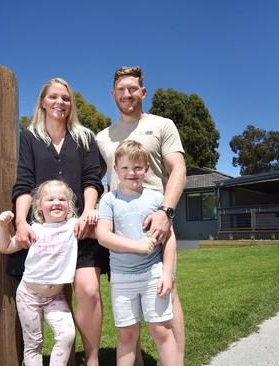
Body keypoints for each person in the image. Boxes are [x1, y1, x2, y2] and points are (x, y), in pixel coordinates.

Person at [11, 78, 107, 366]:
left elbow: (92, 178)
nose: (60, 102)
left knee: (88, 290)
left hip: (79, 230)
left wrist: (89, 211)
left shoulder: (84, 137)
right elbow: (24, 183)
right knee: (55, 295)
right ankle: (65, 360)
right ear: (42, 101)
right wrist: (20, 222)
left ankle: (91, 360)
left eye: (65, 98)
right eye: (53, 97)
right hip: (46, 234)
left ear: (71, 103)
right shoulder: (29, 138)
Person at [96, 66, 187, 365]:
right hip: (121, 229)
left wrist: (165, 211)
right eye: (121, 89)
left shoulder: (162, 125)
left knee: (167, 295)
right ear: (113, 94)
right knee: (128, 323)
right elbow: (93, 178)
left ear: (143, 92)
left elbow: (178, 170)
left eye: (133, 88)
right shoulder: (103, 137)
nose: (127, 94)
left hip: (156, 219)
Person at [96, 140, 179, 366]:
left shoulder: (155, 199)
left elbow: (169, 238)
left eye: (137, 168)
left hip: (153, 274)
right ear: (115, 170)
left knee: (161, 330)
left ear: (147, 169)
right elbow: (103, 236)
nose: (131, 173)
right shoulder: (108, 200)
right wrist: (138, 246)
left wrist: (167, 274)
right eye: (124, 168)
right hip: (122, 279)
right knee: (127, 335)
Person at [0, 180, 78, 366]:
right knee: (33, 343)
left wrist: (93, 213)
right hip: (28, 296)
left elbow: (93, 224)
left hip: (54, 297)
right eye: (50, 199)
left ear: (69, 205)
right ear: (40, 206)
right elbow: (6, 246)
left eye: (62, 199)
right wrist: (2, 226)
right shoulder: (33, 230)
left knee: (67, 335)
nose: (57, 202)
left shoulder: (73, 226)